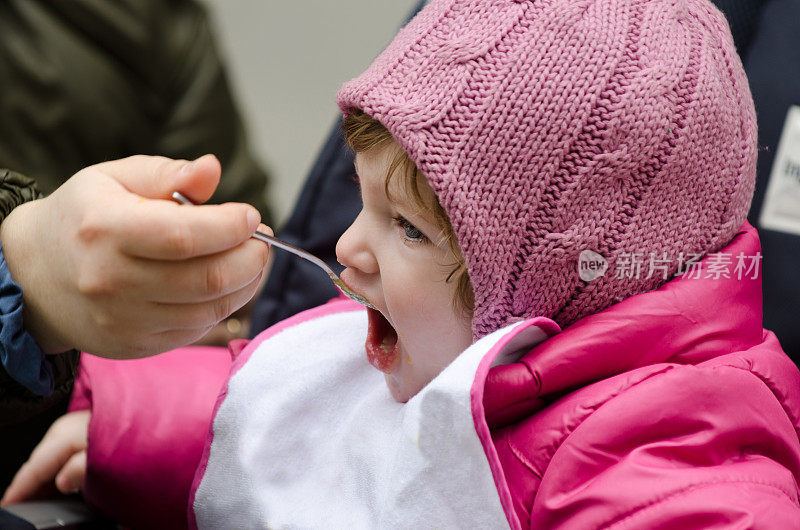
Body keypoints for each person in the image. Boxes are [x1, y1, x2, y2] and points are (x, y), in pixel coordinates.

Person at [6, 0, 800, 527]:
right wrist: (129, 425)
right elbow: (296, 415)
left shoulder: (674, 474)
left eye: (409, 229)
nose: (347, 247)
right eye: (362, 201)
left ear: (561, 289)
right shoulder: (430, 340)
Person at [0, 0, 273, 490]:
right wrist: (22, 272)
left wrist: (146, 412)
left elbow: (237, 229)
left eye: (406, 226)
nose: (352, 247)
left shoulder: (148, 17)